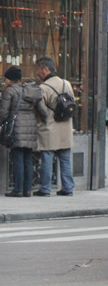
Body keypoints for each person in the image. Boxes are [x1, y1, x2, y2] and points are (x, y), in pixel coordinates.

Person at [1, 66, 49, 198]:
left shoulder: (10, 91)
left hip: (17, 127)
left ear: (10, 79)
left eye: (6, 78)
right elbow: (43, 111)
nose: (5, 81)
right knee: (28, 159)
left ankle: (18, 189)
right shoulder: (30, 91)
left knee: (17, 158)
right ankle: (27, 190)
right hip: (31, 126)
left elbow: (3, 112)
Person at [35, 57, 75, 196]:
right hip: (65, 126)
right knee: (65, 159)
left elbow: (41, 109)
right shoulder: (66, 84)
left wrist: (45, 119)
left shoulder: (43, 88)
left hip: (49, 128)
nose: (37, 72)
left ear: (46, 69)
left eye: (38, 69)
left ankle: (45, 188)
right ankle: (68, 187)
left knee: (47, 157)